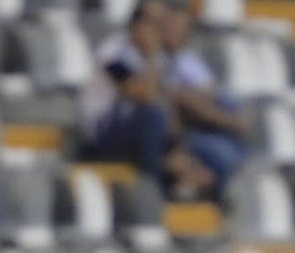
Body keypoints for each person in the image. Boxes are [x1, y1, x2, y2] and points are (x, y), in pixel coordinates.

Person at [79, 0, 213, 198]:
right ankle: (153, 191)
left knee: (201, 155)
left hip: (138, 130)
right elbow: (145, 96)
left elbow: (166, 102)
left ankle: (179, 186)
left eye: (161, 26)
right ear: (137, 25)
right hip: (102, 132)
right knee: (152, 116)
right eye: (154, 25)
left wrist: (179, 151)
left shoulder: (157, 58)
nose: (158, 33)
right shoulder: (113, 52)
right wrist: (152, 55)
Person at [160, 0, 247, 191]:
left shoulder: (189, 61)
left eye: (183, 27)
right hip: (179, 132)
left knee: (229, 102)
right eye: (172, 25)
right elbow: (180, 99)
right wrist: (228, 121)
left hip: (205, 125)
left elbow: (210, 95)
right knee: (222, 155)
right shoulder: (153, 58)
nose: (178, 32)